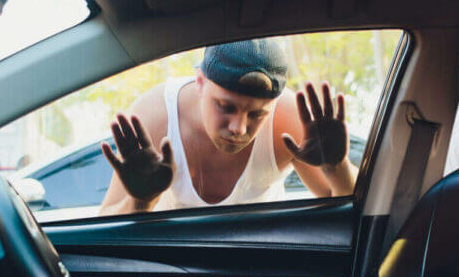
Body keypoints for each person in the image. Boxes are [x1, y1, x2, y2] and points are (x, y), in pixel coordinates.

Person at [98, 39, 359, 215]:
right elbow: (105, 223)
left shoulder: (289, 119)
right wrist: (141, 201)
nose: (238, 128)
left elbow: (347, 205)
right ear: (200, 82)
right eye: (225, 106)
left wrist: (337, 167)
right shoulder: (156, 116)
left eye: (257, 114)